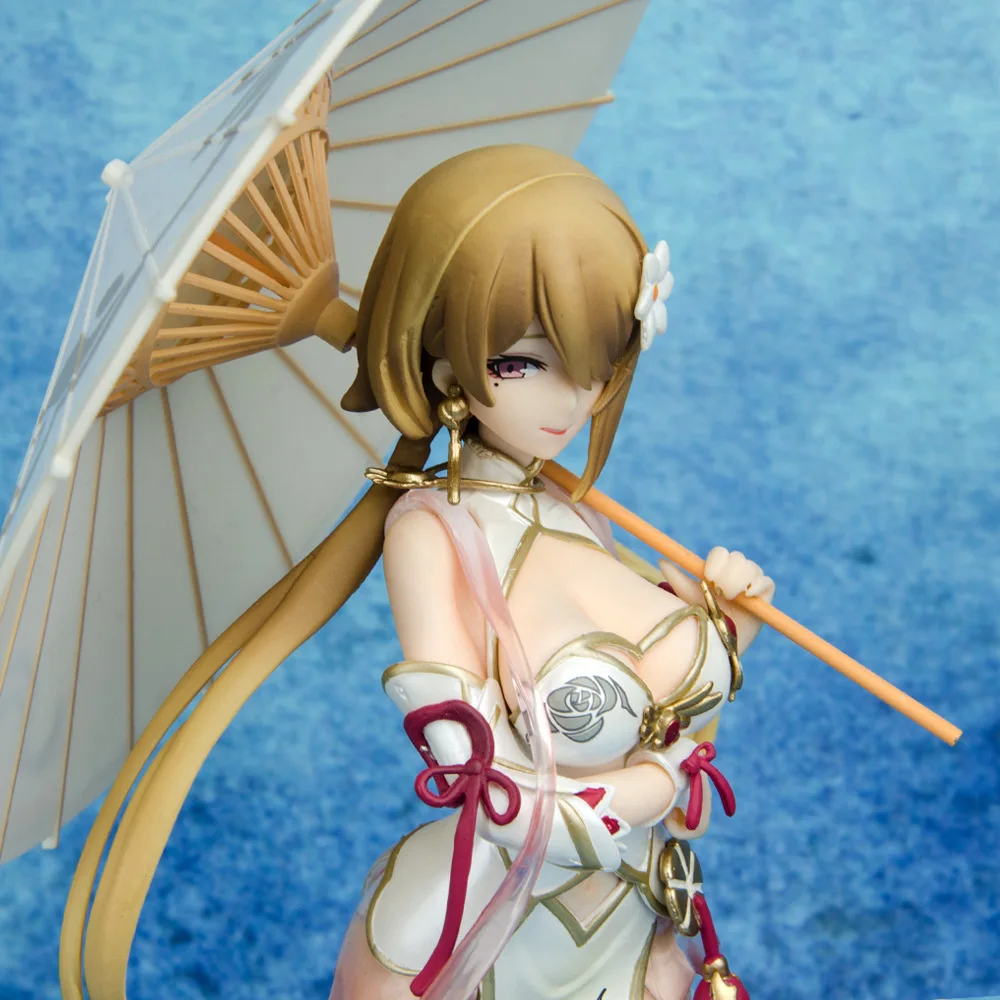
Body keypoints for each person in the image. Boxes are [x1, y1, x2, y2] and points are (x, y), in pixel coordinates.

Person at [63, 145, 774, 1000]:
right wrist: (656, 783)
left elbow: (670, 728)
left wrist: (726, 630)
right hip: (498, 923)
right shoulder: (433, 531)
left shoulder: (577, 512)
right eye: (524, 362)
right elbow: (480, 778)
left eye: (598, 358)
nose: (572, 398)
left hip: (639, 914)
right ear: (445, 368)